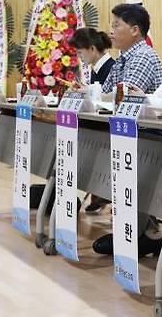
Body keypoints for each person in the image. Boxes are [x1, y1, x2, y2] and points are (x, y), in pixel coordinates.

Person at [92, 3, 162, 257]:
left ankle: (139, 233)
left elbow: (122, 97)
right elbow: (108, 93)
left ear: (135, 30)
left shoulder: (142, 56)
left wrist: (99, 95)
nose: (110, 31)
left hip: (155, 140)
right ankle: (144, 232)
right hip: (136, 134)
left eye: (116, 25)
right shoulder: (124, 57)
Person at [68, 28, 115, 213]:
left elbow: (106, 100)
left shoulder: (110, 67)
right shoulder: (98, 68)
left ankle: (101, 190)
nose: (79, 57)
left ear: (93, 48)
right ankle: (98, 191)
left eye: (80, 52)